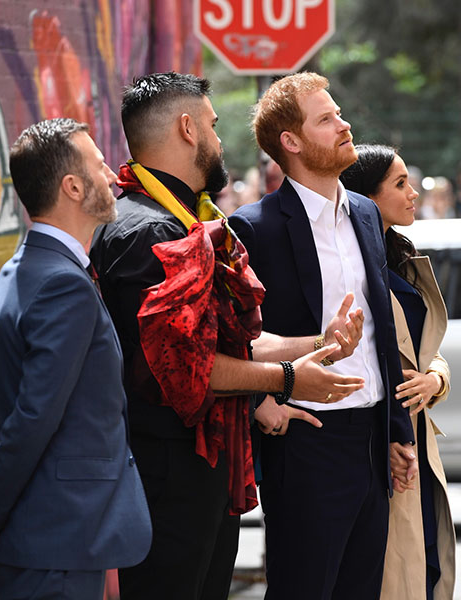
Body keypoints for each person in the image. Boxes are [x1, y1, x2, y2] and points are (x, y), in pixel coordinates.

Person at [89, 72, 366, 600]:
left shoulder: (183, 220)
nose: (221, 141)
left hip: (197, 471)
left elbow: (221, 346)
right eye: (214, 126)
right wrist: (287, 379)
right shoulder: (151, 231)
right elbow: (187, 368)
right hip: (167, 475)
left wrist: (318, 343)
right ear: (189, 129)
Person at [0, 118, 152, 599]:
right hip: (61, 542)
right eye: (100, 166)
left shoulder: (19, 271)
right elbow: (31, 417)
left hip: (56, 541)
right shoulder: (62, 284)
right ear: (73, 187)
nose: (115, 177)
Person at [229, 72, 417, 600]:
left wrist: (397, 428)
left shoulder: (364, 212)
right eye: (326, 118)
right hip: (306, 439)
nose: (344, 124)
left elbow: (380, 326)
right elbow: (236, 339)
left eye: (338, 113)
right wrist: (261, 401)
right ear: (291, 142)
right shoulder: (254, 227)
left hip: (372, 437)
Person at [341, 144, 456, 600]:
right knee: (393, 572)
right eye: (400, 184)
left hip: (415, 436)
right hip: (381, 437)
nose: (413, 195)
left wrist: (436, 380)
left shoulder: (401, 253)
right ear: (367, 196)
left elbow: (428, 348)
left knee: (423, 563)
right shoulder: (350, 262)